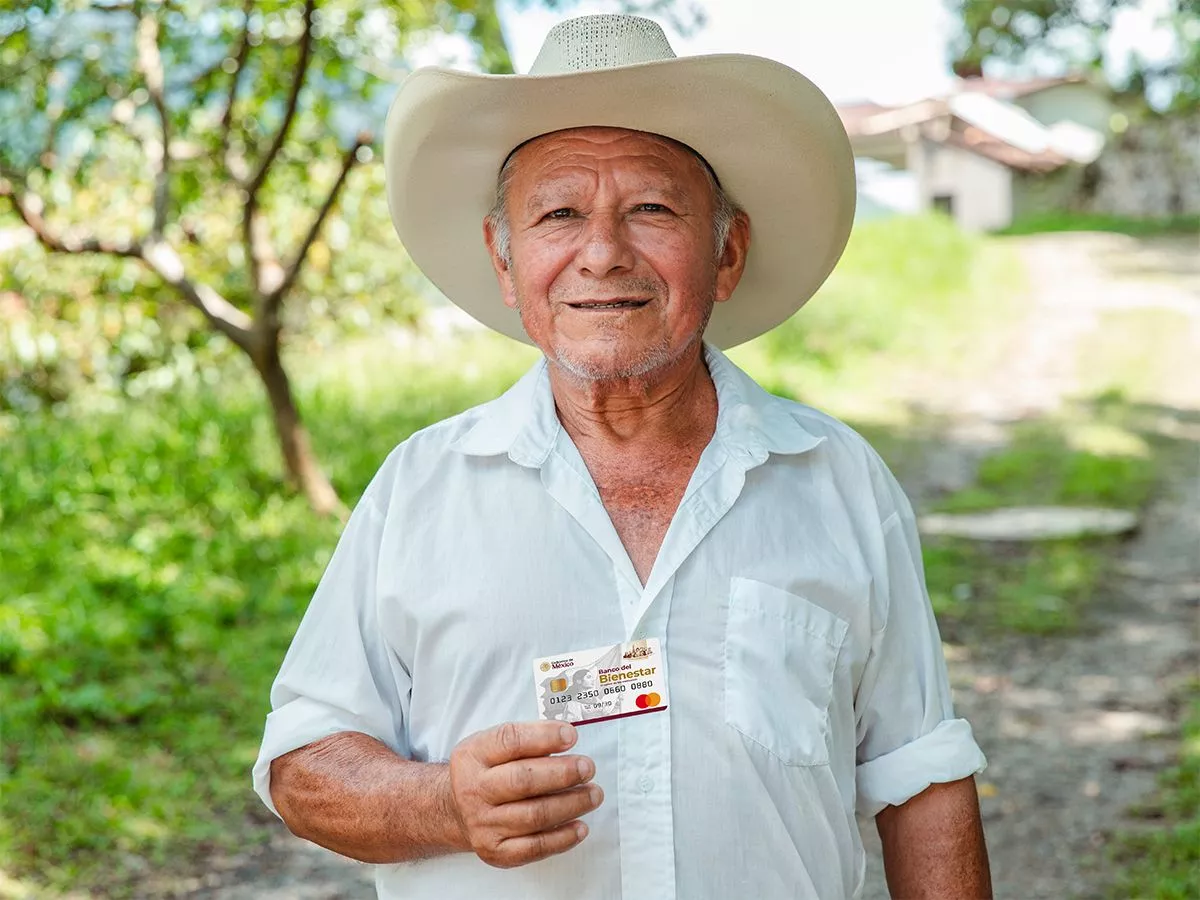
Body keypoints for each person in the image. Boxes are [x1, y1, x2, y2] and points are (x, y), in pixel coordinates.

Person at [253, 14, 992, 900]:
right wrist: (442, 805)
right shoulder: (421, 488)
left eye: (651, 209)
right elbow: (304, 764)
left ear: (727, 252)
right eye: (559, 214)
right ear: (504, 260)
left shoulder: (837, 481)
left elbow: (922, 778)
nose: (602, 254)